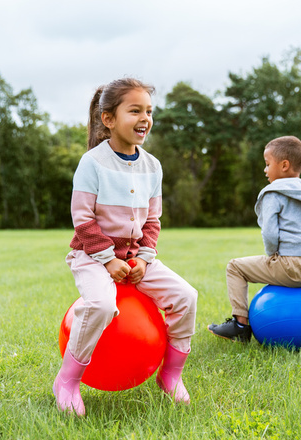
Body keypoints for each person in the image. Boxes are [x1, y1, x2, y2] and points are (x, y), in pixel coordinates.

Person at [53, 78, 198, 416]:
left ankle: (171, 374)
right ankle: (68, 380)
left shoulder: (153, 166)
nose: (144, 118)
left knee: (186, 297)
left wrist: (145, 259)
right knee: (102, 305)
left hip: (136, 260)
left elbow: (152, 221)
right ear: (109, 119)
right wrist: (106, 260)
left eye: (148, 111)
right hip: (91, 256)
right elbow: (82, 219)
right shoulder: (92, 163)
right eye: (135, 110)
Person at [208, 135, 301, 342]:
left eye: (267, 164)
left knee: (235, 267)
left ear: (284, 165)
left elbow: (269, 232)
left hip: (290, 266)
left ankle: (240, 325)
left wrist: (273, 255)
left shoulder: (273, 193)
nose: (265, 170)